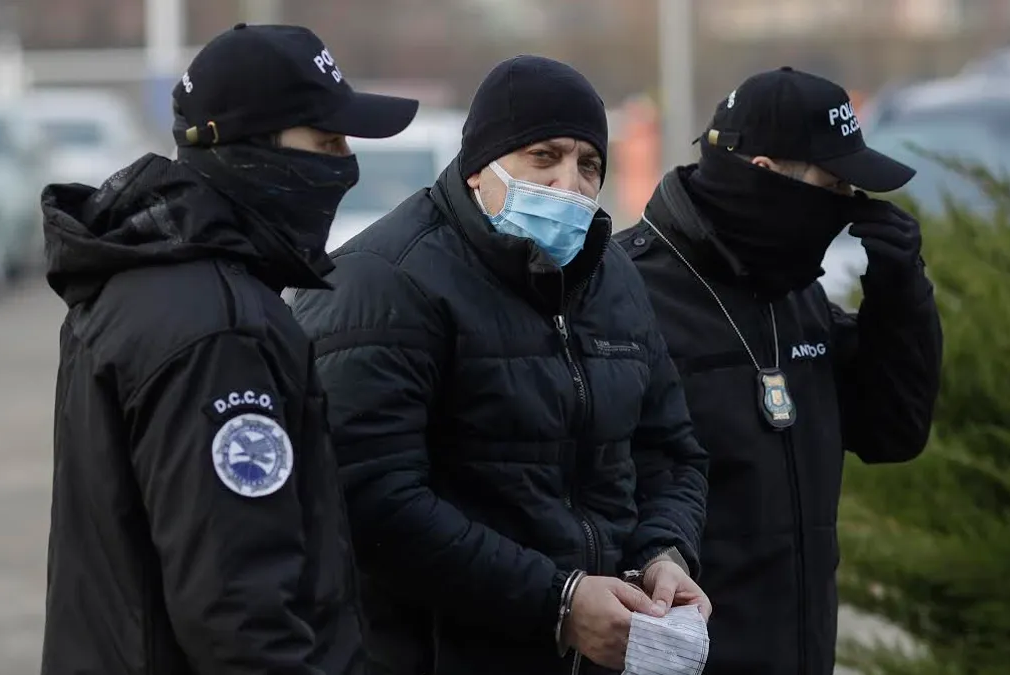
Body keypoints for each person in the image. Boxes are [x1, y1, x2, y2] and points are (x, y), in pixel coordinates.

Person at [291, 55, 711, 675]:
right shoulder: (384, 281)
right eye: (544, 156)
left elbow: (668, 449)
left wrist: (664, 553)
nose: (570, 184)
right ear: (476, 171)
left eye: (588, 164)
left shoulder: (610, 276)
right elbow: (372, 499)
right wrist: (558, 601)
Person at [39, 23, 419, 675]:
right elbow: (241, 614)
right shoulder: (222, 330)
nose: (344, 165)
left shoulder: (141, 282)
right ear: (252, 153)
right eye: (325, 142)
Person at [614, 67, 944, 675]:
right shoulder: (622, 293)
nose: (850, 210)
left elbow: (893, 432)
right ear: (764, 176)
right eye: (836, 187)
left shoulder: (797, 295)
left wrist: (901, 303)